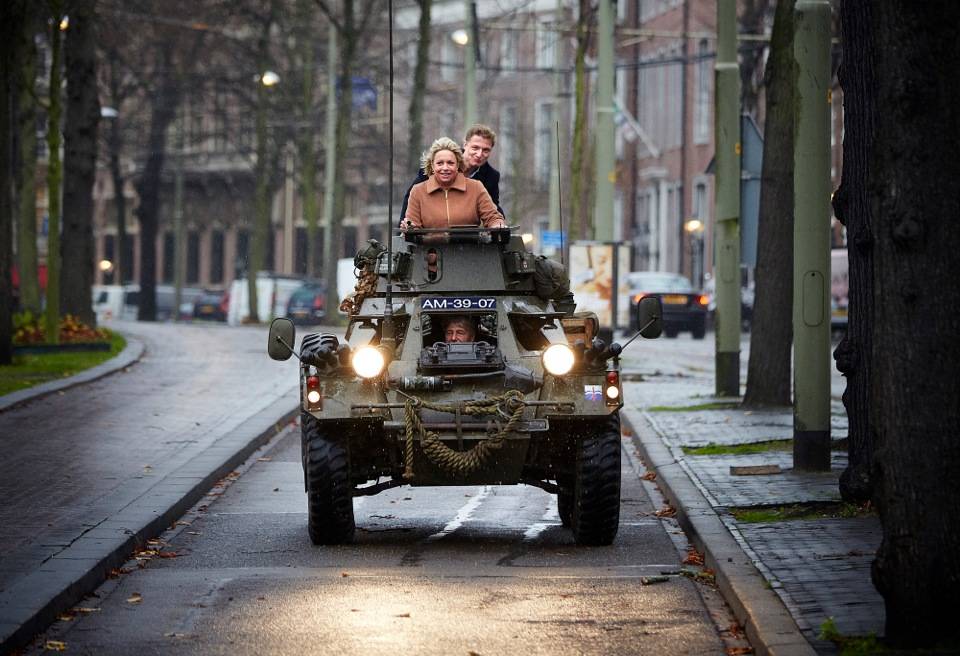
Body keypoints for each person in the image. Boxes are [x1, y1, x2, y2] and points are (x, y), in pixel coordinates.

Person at [399, 124, 504, 224]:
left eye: (486, 150)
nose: (479, 154)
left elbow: (492, 206)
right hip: (432, 223)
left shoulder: (491, 177)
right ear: (465, 145)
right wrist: (404, 228)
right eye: (475, 148)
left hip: (464, 227)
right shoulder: (439, 164)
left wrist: (499, 224)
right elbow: (412, 198)